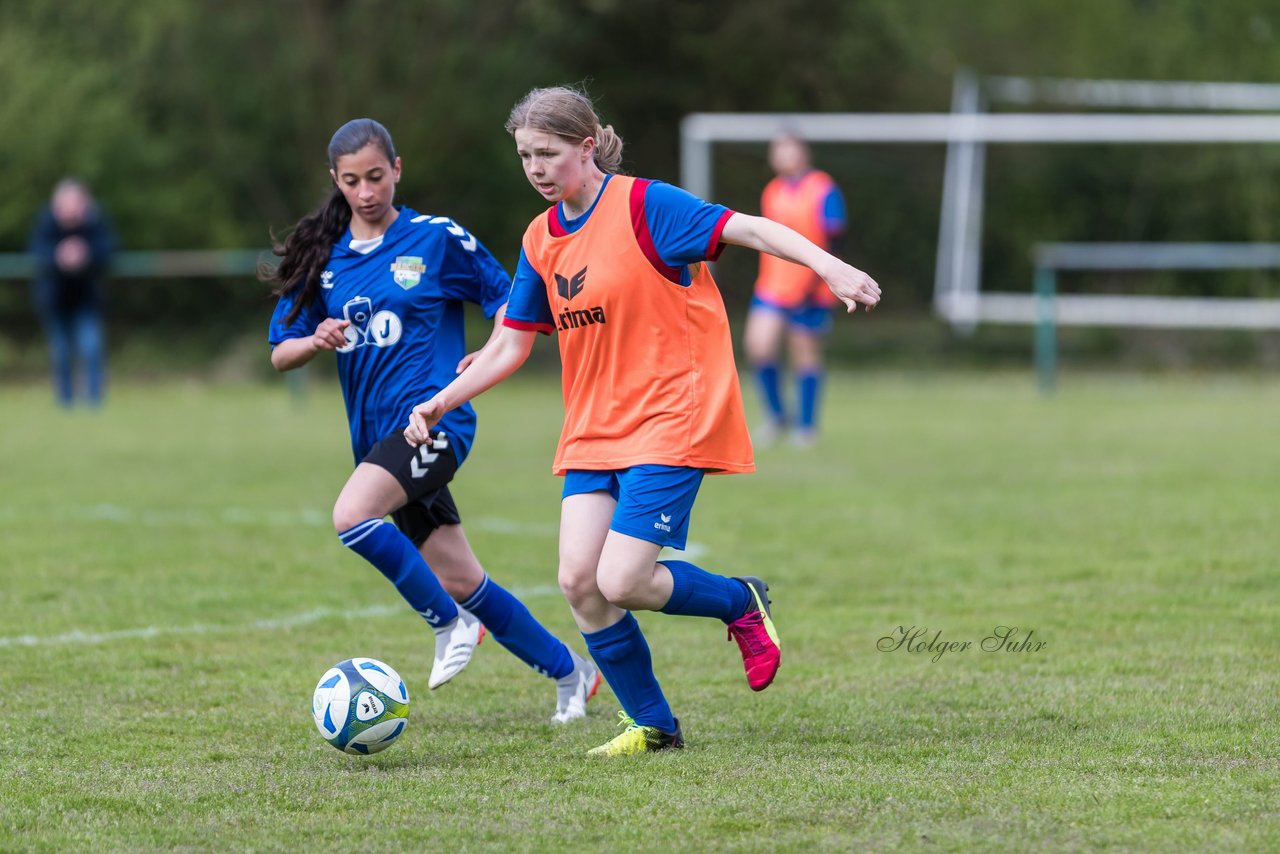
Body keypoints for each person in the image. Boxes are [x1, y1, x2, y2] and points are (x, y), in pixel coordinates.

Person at [404, 87, 880, 756]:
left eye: (548, 153)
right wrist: (438, 401)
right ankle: (653, 725)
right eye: (524, 156)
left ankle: (740, 602)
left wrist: (831, 267)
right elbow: (510, 343)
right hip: (594, 426)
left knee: (621, 580)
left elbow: (748, 227)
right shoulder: (540, 238)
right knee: (578, 581)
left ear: (587, 146)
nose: (536, 168)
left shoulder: (644, 206)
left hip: (670, 414)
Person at [264, 118, 600, 723]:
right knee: (461, 575)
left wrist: (490, 348)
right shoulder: (327, 258)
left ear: (397, 168)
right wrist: (315, 339)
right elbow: (279, 352)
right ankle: (570, 673)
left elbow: (511, 298)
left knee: (351, 515)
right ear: (335, 182)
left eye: (375, 176)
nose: (366, 192)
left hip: (435, 422)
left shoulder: (435, 239)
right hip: (376, 442)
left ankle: (450, 626)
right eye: (351, 181)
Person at [745, 132, 848, 447]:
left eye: (788, 149)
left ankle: (807, 426)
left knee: (805, 353)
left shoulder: (823, 188)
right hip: (772, 285)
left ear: (804, 152)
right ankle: (777, 416)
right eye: (777, 150)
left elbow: (835, 238)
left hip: (811, 287)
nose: (782, 156)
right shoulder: (772, 190)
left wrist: (820, 280)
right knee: (758, 346)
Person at [29, 178, 116, 408]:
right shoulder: (46, 222)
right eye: (65, 202)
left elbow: (109, 249)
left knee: (91, 348)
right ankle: (65, 402)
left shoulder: (95, 222)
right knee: (61, 352)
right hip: (55, 299)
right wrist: (59, 255)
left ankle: (95, 400)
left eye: (75, 202)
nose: (70, 208)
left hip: (87, 299)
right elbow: (36, 251)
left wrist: (85, 253)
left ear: (84, 203)